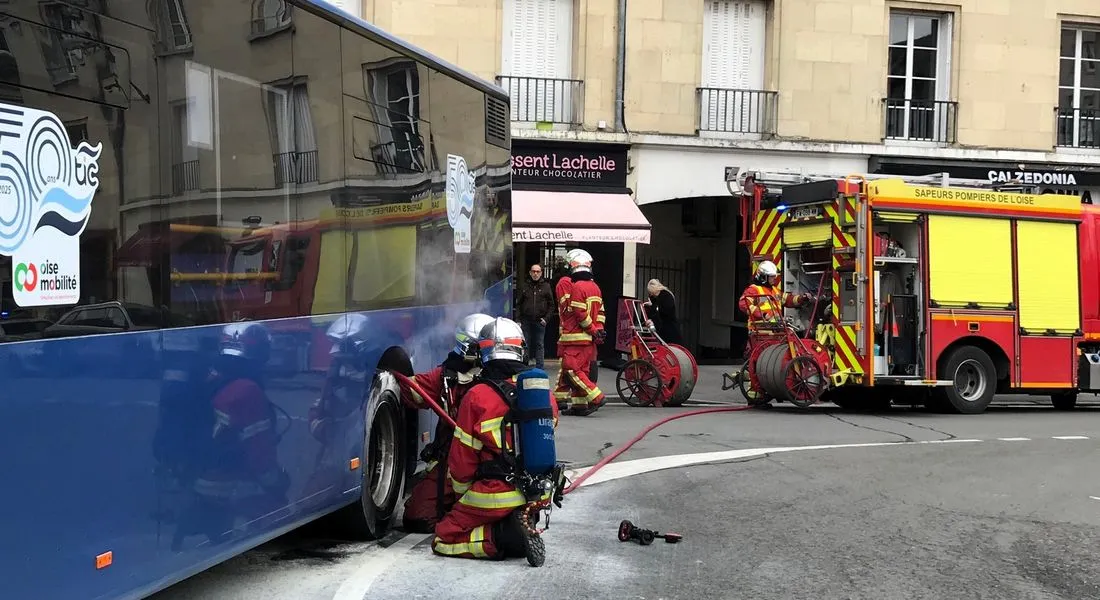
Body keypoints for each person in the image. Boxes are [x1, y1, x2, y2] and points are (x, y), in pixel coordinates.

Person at [432, 317, 554, 564]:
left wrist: (460, 499)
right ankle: (519, 522)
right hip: (537, 493)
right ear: (520, 348)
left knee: (443, 538)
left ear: (484, 352)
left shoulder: (477, 396)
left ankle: (501, 538)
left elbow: (461, 463)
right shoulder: (541, 393)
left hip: (495, 493)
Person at [398, 313, 496, 533]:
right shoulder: (447, 377)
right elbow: (410, 389)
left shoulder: (502, 376)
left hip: (495, 465)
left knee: (496, 516)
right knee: (418, 517)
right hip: (453, 465)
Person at [553, 248, 606, 416]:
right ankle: (578, 405)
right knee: (579, 370)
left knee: (571, 369)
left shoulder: (572, 285)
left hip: (573, 336)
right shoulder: (595, 287)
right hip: (587, 338)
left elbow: (574, 311)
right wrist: (598, 330)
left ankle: (596, 396)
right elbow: (601, 312)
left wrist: (591, 329)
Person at [738, 260, 812, 332]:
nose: (775, 278)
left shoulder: (774, 290)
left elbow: (789, 300)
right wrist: (763, 314)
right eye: (772, 276)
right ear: (764, 277)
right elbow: (743, 304)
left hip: (776, 330)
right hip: (760, 331)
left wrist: (802, 298)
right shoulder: (753, 290)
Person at [515, 263, 555, 369]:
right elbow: (519, 304)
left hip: (540, 321)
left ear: (541, 273)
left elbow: (552, 305)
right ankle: (524, 366)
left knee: (539, 345)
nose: (535, 274)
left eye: (538, 272)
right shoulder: (524, 286)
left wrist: (546, 319)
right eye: (533, 271)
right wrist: (518, 320)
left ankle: (539, 367)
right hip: (526, 320)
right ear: (530, 273)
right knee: (525, 344)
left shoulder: (546, 287)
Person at [643, 278, 682, 346]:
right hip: (660, 328)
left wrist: (653, 307)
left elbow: (666, 311)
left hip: (669, 327)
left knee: (671, 346)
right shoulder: (654, 298)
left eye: (651, 292)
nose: (651, 294)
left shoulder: (666, 296)